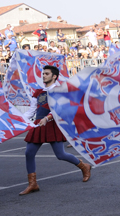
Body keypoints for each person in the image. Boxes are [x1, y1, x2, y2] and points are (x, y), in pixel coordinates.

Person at [19, 65, 92, 196]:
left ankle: (84, 166)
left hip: (52, 124)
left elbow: (58, 109)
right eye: (43, 73)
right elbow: (31, 111)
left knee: (61, 155)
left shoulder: (59, 91)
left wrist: (47, 118)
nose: (43, 76)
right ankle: (32, 184)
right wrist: (18, 122)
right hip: (38, 124)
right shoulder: (38, 92)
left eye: (46, 74)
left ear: (54, 76)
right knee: (29, 153)